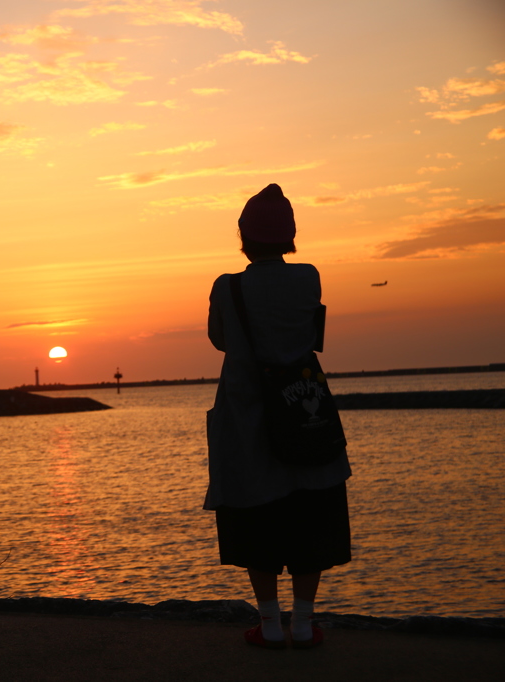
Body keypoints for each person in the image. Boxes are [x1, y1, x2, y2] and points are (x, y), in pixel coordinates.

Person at [205, 183, 352, 650]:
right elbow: (312, 331)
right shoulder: (309, 276)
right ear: (290, 236)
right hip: (304, 409)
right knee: (312, 513)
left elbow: (220, 340)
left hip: (247, 418)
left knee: (256, 516)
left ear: (244, 237)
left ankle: (269, 624)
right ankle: (305, 624)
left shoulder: (227, 287)